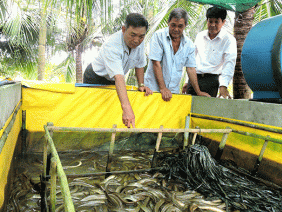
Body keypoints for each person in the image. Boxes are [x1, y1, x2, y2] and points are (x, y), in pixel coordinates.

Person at [83, 13, 152, 128]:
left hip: (113, 81)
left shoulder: (140, 41)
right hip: (95, 77)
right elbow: (119, 77)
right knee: (93, 111)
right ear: (124, 29)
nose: (136, 40)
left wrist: (141, 84)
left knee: (111, 110)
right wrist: (127, 109)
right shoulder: (112, 46)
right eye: (133, 35)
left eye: (141, 36)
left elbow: (140, 63)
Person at [144, 8, 210, 102]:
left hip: (172, 92)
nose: (176, 29)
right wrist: (163, 88)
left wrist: (198, 92)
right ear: (168, 22)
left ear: (185, 26)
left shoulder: (189, 44)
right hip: (152, 90)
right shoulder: (158, 36)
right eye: (173, 25)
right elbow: (156, 63)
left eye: (180, 26)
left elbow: (191, 68)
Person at [182, 6, 237, 98]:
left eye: (216, 22)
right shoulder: (200, 36)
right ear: (207, 21)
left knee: (205, 110)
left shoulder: (229, 40)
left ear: (223, 22)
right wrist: (188, 81)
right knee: (188, 108)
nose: (212, 25)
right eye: (210, 21)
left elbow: (229, 64)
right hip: (194, 79)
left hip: (212, 81)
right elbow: (192, 60)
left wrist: (223, 86)